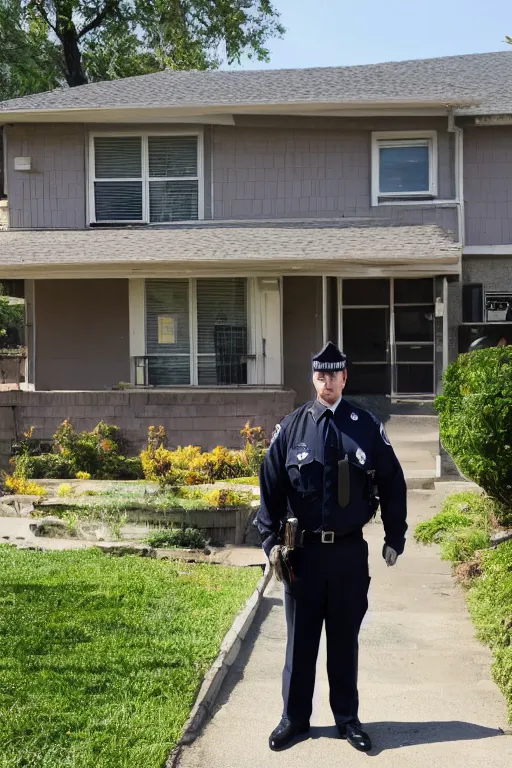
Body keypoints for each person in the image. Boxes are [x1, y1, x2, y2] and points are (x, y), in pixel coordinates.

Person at [256, 341, 407, 754]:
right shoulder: (291, 428)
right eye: (320, 376)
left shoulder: (366, 426)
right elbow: (270, 484)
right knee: (300, 642)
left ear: (345, 378)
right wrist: (269, 539)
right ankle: (294, 718)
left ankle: (347, 719)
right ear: (313, 378)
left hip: (346, 555)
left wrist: (396, 535)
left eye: (334, 375)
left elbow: (393, 481)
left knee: (344, 640)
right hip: (302, 556)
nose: (327, 383)